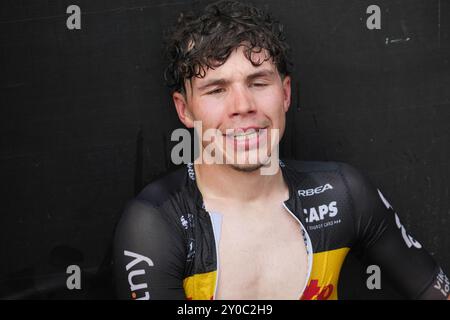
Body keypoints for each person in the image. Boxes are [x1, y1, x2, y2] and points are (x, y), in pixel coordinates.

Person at [113, 0, 449, 300]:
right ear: (184, 110)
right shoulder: (156, 223)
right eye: (216, 90)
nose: (242, 106)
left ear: (285, 94)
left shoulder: (344, 194)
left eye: (258, 82)